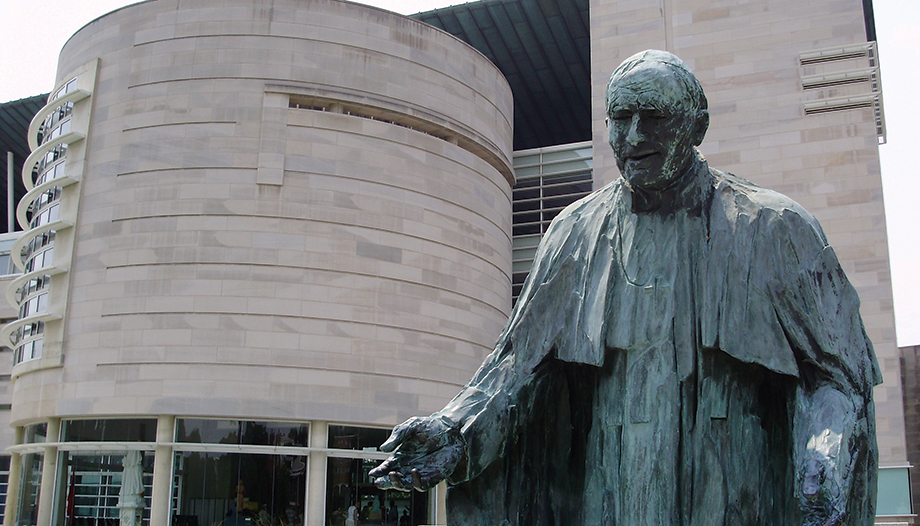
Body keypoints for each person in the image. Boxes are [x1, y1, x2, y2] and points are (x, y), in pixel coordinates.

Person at [370, 50, 880, 525]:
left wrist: (826, 450)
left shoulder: (774, 228)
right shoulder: (575, 234)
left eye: (655, 117)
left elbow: (837, 376)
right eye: (621, 118)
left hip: (733, 498)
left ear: (696, 125)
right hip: (609, 498)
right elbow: (514, 370)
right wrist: (453, 432)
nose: (635, 136)